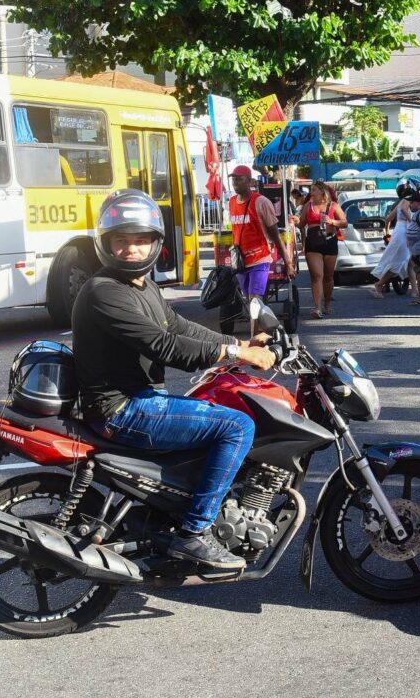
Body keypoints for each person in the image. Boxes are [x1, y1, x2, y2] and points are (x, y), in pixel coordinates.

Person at [72, 189, 277, 570]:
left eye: (139, 241)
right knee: (237, 427)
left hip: (142, 400)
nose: (130, 250)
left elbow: (179, 326)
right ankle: (194, 534)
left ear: (154, 244)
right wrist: (238, 354)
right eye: (121, 241)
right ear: (106, 244)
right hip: (124, 409)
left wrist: (239, 343)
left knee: (220, 405)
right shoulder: (104, 291)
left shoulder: (142, 286)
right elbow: (165, 346)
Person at [227, 166, 295, 336]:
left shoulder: (261, 202)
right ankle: (269, 332)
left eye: (239, 178)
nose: (235, 182)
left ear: (250, 182)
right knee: (250, 301)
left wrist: (288, 263)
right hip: (241, 262)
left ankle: (255, 338)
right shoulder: (232, 202)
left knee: (255, 301)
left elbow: (275, 235)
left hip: (260, 259)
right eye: (233, 178)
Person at [299, 181, 346, 318]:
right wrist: (295, 221)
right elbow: (302, 224)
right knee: (317, 276)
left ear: (321, 192)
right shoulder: (308, 206)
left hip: (330, 241)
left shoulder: (333, 206)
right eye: (311, 190)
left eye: (313, 190)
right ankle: (317, 308)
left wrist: (332, 222)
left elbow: (344, 222)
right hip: (313, 244)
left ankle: (327, 304)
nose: (311, 193)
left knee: (328, 277)